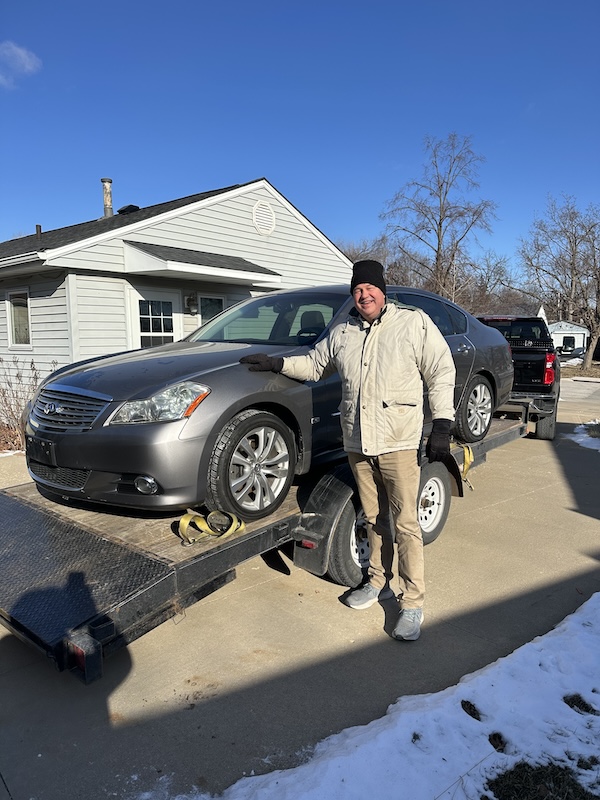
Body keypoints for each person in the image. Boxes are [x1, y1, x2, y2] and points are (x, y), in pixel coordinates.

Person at [240, 260, 456, 641]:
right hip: (358, 442)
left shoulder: (413, 322)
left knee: (406, 524)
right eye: (357, 290)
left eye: (370, 288)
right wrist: (277, 363)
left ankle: (413, 603)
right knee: (374, 519)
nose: (364, 295)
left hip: (399, 441)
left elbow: (440, 369)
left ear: (382, 290)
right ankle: (376, 582)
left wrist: (442, 423)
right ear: (352, 295)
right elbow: (313, 363)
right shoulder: (342, 331)